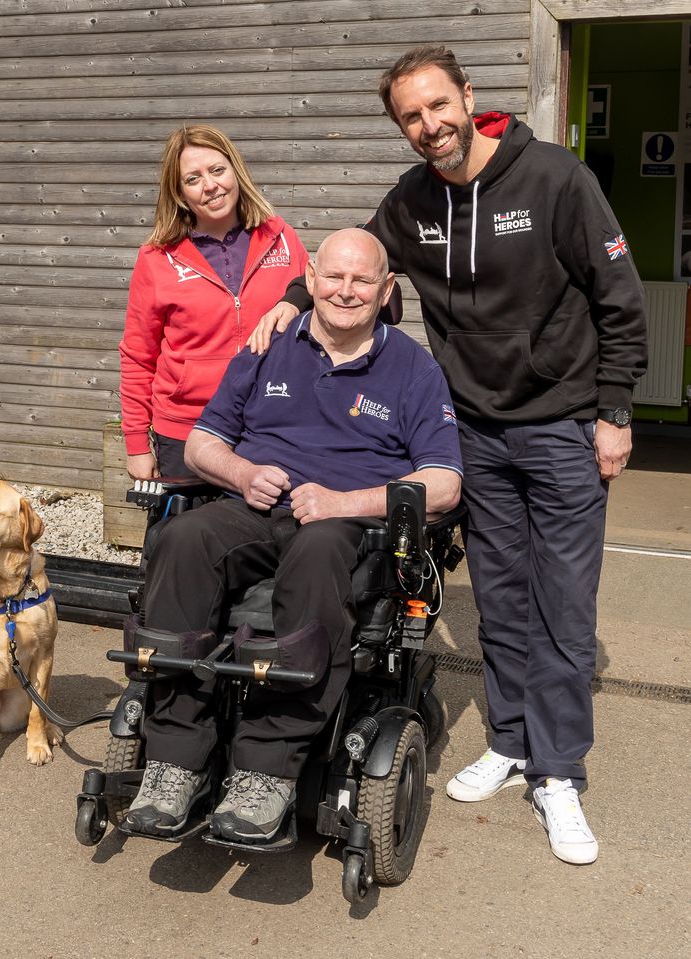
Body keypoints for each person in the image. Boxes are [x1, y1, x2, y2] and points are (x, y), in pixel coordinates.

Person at [253, 46, 648, 865]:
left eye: (439, 105)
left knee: (563, 602)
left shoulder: (555, 180)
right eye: (410, 116)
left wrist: (614, 411)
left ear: (469, 97)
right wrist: (292, 299)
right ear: (400, 126)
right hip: (476, 429)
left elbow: (620, 297)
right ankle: (509, 740)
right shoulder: (413, 200)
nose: (429, 125)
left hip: (564, 424)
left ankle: (558, 769)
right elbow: (356, 251)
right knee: (499, 595)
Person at [121, 229, 463, 843]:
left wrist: (343, 502)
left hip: (344, 526)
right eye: (334, 277)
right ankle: (174, 762)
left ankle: (265, 772)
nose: (346, 291)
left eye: (363, 281)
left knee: (320, 548)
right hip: (255, 507)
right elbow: (201, 444)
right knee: (183, 539)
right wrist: (242, 472)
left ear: (387, 290)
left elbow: (442, 484)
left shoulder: (412, 367)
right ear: (310, 279)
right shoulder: (269, 343)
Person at [118, 124, 309, 481]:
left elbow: (313, 298)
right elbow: (137, 356)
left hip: (268, 424)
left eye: (217, 170)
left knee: (262, 533)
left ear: (235, 170)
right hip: (185, 429)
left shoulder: (280, 237)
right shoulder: (157, 258)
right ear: (179, 193)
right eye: (193, 179)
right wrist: (137, 446)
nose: (210, 185)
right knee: (183, 535)